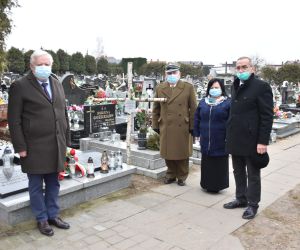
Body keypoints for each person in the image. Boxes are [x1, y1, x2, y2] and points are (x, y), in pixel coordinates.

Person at [8, 50, 71, 236]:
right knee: (36, 185)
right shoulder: (20, 86)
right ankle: (42, 219)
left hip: (56, 144)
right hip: (33, 146)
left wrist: (66, 141)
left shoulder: (56, 83)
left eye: (47, 64)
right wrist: (20, 147)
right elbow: (14, 120)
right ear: (32, 66)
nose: (44, 68)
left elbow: (63, 113)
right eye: (40, 64)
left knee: (54, 183)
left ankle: (53, 214)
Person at [223, 56, 273, 219]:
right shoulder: (236, 85)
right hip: (235, 137)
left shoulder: (261, 87)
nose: (241, 70)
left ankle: (252, 204)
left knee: (253, 174)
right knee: (238, 171)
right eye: (238, 68)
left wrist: (262, 141)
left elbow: (266, 116)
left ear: (252, 69)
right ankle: (241, 198)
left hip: (252, 139)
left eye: (244, 67)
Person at [152, 63, 197, 186]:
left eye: (174, 73)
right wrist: (155, 124)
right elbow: (156, 108)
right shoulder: (160, 88)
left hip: (182, 125)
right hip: (166, 125)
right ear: (165, 75)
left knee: (182, 153)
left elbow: (193, 109)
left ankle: (182, 176)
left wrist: (193, 127)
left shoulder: (188, 87)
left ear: (179, 74)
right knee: (168, 152)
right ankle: (170, 174)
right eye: (169, 73)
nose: (172, 75)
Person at [194, 79, 231, 193]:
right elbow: (197, 118)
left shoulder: (227, 102)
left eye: (217, 88)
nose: (214, 90)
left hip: (221, 138)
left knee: (219, 163)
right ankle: (206, 184)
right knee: (207, 163)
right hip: (206, 138)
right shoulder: (203, 102)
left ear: (222, 89)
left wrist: (229, 137)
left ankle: (218, 185)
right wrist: (196, 133)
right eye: (212, 87)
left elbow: (231, 121)